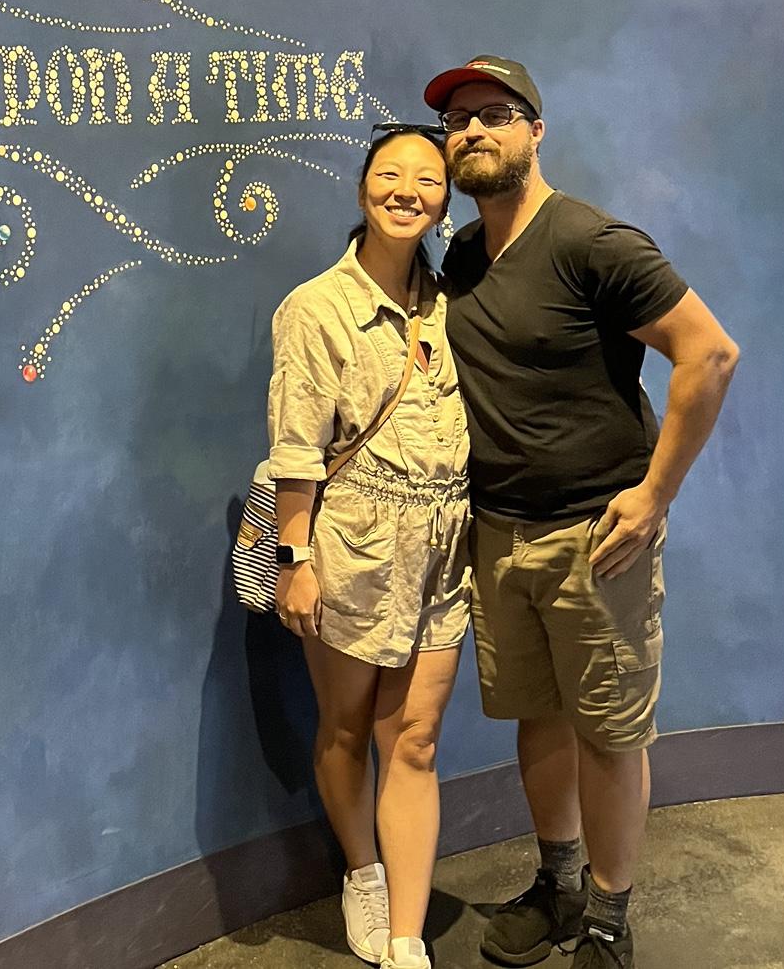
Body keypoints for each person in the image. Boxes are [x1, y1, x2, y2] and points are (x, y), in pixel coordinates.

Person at [423, 57, 740, 969]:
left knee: (607, 732)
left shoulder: (593, 242)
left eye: (495, 114)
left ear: (536, 129)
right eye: (458, 120)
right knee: (540, 717)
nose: (473, 132)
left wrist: (654, 494)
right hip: (499, 534)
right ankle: (559, 886)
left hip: (595, 541)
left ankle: (607, 919)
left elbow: (709, 354)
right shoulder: (463, 256)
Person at [265, 124, 472, 969]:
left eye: (427, 179)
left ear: (444, 203)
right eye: (390, 174)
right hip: (352, 545)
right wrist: (295, 559)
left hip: (445, 550)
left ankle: (407, 938)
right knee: (347, 728)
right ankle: (363, 871)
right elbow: (296, 447)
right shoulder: (317, 307)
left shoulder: (456, 303)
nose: (406, 191)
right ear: (362, 191)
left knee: (414, 739)